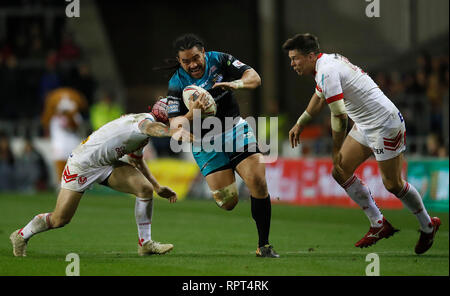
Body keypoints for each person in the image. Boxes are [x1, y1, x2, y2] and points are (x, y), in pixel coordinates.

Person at [284, 33, 441, 255]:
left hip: (385, 124)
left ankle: (428, 225)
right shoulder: (325, 64)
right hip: (366, 125)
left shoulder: (327, 71)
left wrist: (336, 148)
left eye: (295, 58)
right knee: (340, 171)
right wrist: (300, 124)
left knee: (393, 184)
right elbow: (319, 97)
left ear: (310, 56)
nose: (292, 64)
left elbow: (339, 116)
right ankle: (378, 223)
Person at [10, 103, 193, 257]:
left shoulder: (143, 130)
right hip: (82, 165)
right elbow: (151, 128)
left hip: (106, 164)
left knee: (144, 189)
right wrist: (172, 132)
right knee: (60, 219)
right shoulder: (143, 124)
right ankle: (21, 235)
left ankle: (145, 243)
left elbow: (136, 160)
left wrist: (157, 186)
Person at [160, 33, 279, 258]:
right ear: (179, 60)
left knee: (257, 181)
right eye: (186, 61)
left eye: (196, 58)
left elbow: (255, 78)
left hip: (234, 129)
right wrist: (193, 111)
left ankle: (263, 245)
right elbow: (176, 126)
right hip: (205, 142)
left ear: (204, 52)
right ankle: (228, 174)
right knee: (228, 203)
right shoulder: (176, 83)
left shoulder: (220, 60)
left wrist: (235, 83)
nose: (192, 64)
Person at [41, 87, 88, 187]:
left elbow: (75, 127)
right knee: (59, 162)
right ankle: (60, 184)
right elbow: (45, 121)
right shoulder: (54, 116)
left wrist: (69, 115)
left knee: (74, 165)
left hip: (72, 142)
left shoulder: (75, 115)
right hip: (59, 143)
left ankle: (75, 185)